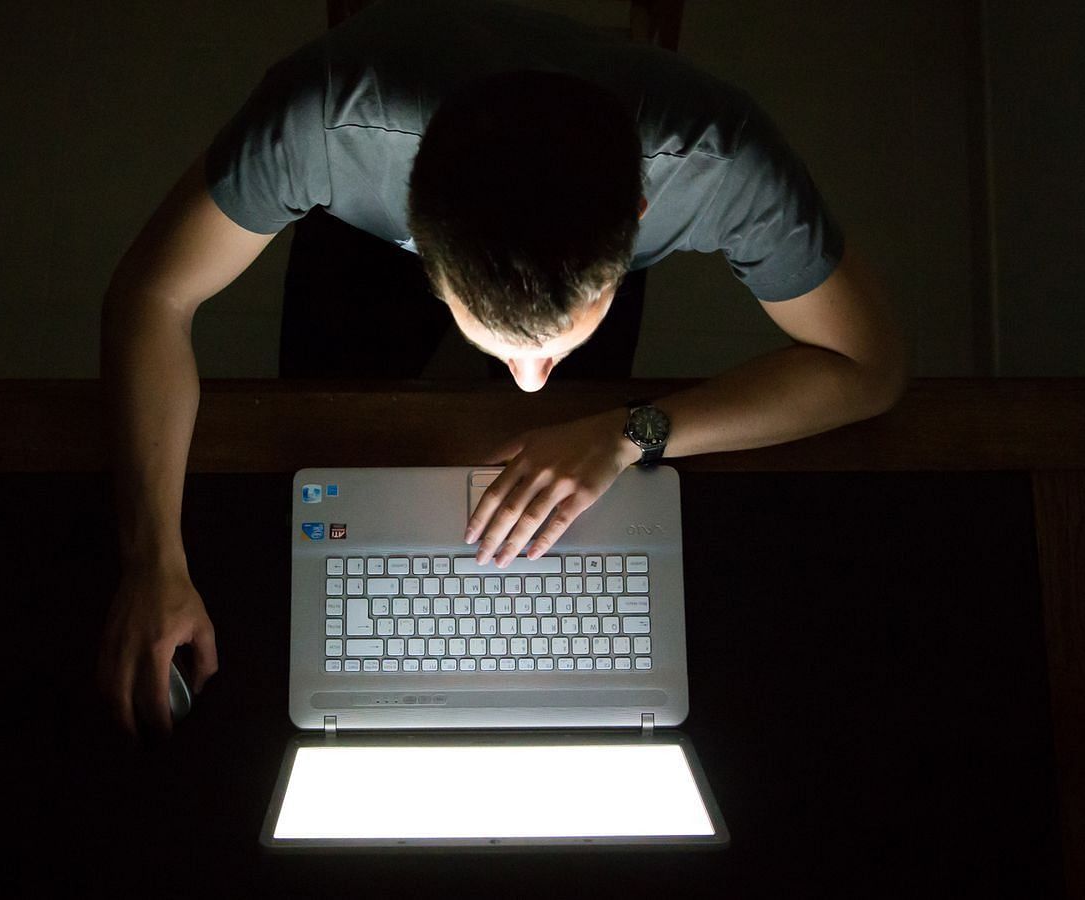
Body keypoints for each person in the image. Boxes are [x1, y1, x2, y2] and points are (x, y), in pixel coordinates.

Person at [97, 0, 906, 736]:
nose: (530, 380)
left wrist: (634, 434)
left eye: (556, 341)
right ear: (422, 247)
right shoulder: (323, 123)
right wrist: (153, 562)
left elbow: (870, 368)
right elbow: (153, 296)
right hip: (367, 200)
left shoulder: (721, 161)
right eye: (502, 342)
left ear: (638, 220)